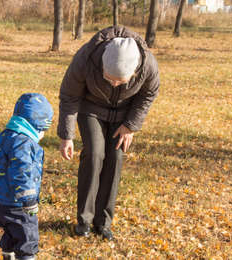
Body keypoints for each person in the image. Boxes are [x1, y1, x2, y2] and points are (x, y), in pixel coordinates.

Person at [57, 26, 160, 241]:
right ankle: (84, 221)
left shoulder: (148, 65)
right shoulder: (86, 58)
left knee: (115, 158)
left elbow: (148, 94)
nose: (113, 83)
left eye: (119, 81)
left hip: (123, 116)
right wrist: (66, 136)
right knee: (95, 155)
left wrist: (131, 125)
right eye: (108, 77)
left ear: (133, 72)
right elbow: (69, 95)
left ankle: (103, 223)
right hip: (91, 110)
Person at [0, 93, 53, 260]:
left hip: (1, 202)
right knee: (27, 240)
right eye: (42, 130)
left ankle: (8, 256)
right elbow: (21, 172)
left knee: (10, 235)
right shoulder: (23, 143)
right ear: (36, 124)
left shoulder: (6, 136)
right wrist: (29, 199)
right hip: (18, 204)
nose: (43, 134)